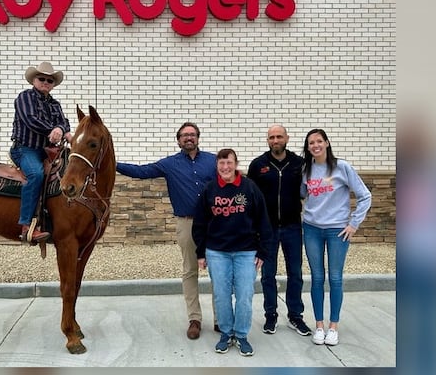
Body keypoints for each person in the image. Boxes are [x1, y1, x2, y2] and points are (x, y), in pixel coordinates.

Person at [116, 122, 217, 340]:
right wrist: (112, 164)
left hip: (215, 224)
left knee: (218, 272)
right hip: (187, 224)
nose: (188, 138)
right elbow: (141, 171)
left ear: (198, 138)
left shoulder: (214, 161)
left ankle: (221, 319)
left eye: (192, 134)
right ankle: (194, 319)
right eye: (184, 135)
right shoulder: (169, 164)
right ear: (178, 140)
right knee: (190, 271)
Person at [192, 148, 272, 357]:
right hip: (217, 252)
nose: (225, 167)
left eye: (229, 163)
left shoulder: (249, 188)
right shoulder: (210, 190)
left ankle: (242, 335)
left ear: (236, 164)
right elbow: (199, 223)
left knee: (245, 295)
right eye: (221, 164)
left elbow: (263, 221)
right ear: (217, 166)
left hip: (246, 252)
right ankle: (226, 333)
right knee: (221, 295)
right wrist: (201, 253)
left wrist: (263, 252)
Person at [300, 128, 371, 346]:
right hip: (311, 229)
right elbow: (303, 194)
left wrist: (353, 224)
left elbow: (365, 196)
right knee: (317, 278)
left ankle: (333, 326)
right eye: (311, 143)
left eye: (319, 141)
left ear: (327, 143)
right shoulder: (306, 169)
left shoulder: (342, 167)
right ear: (308, 147)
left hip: (337, 231)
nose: (315, 145)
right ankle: (319, 326)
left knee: (336, 278)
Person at [247, 125, 312, 336]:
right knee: (268, 275)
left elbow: (310, 191)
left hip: (293, 226)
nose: (275, 140)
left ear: (287, 138)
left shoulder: (299, 164)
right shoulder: (258, 165)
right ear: (267, 140)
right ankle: (271, 315)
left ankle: (295, 315)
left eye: (279, 137)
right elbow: (251, 200)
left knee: (296, 273)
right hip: (267, 230)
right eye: (271, 137)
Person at [10, 61, 73, 243]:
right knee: (36, 174)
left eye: (50, 80)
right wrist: (52, 130)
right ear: (34, 80)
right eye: (42, 79)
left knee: (70, 169)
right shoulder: (25, 98)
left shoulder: (55, 104)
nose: (46, 82)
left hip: (48, 151)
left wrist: (61, 129)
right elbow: (31, 119)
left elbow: (64, 122)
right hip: (25, 149)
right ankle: (27, 225)